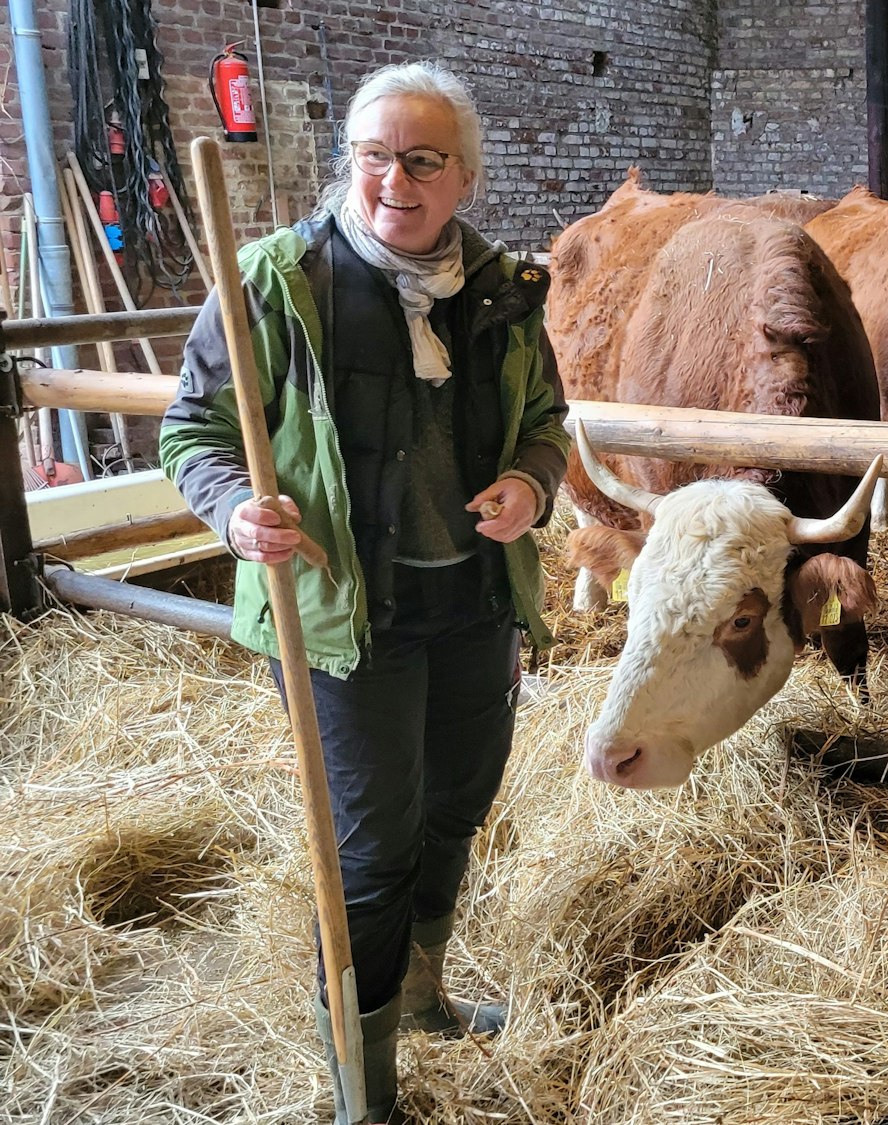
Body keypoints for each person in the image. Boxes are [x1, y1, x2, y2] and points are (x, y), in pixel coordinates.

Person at [160, 61, 569, 1125]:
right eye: (374, 154)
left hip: (476, 604)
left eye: (422, 160)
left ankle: (422, 996)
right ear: (351, 161)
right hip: (348, 620)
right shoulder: (277, 282)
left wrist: (530, 485)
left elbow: (544, 424)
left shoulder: (504, 292)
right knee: (374, 847)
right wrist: (232, 511)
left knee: (456, 810)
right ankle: (364, 1083)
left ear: (464, 178)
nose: (395, 177)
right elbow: (193, 431)